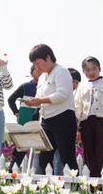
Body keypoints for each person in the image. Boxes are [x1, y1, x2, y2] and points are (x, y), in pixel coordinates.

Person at [24, 44, 79, 174]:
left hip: (63, 119)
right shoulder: (42, 77)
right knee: (44, 159)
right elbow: (39, 97)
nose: (36, 67)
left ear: (48, 57)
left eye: (38, 62)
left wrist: (40, 101)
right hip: (46, 121)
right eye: (34, 64)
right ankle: (43, 191)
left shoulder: (61, 71)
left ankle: (75, 190)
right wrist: (32, 102)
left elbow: (62, 94)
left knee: (67, 158)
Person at [7, 64, 41, 171]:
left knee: (39, 152)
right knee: (19, 150)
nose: (40, 72)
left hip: (40, 124)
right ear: (31, 73)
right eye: (37, 70)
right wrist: (16, 113)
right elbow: (11, 99)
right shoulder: (25, 86)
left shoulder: (47, 88)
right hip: (25, 122)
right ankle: (11, 174)